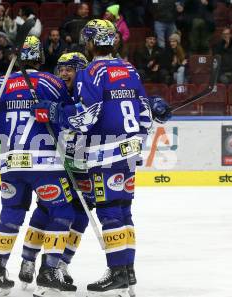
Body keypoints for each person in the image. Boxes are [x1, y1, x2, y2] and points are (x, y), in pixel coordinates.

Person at [30, 19, 171, 297]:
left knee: (108, 211)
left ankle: (117, 272)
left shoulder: (92, 71)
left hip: (105, 153)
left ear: (91, 42)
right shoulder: (128, 68)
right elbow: (144, 111)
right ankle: (127, 272)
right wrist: (158, 107)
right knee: (123, 210)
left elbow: (87, 117)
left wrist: (56, 112)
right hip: (130, 151)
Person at [0, 36, 77, 297]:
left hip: (11, 165)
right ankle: (48, 271)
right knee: (62, 213)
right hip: (45, 165)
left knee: (10, 217)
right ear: (40, 57)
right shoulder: (52, 82)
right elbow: (72, 118)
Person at [18, 52, 92, 289]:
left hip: (83, 163)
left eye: (70, 68)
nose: (64, 73)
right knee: (45, 209)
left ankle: (60, 264)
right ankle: (28, 260)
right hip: (54, 162)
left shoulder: (90, 93)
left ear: (81, 70)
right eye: (61, 68)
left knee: (81, 214)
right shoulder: (49, 90)